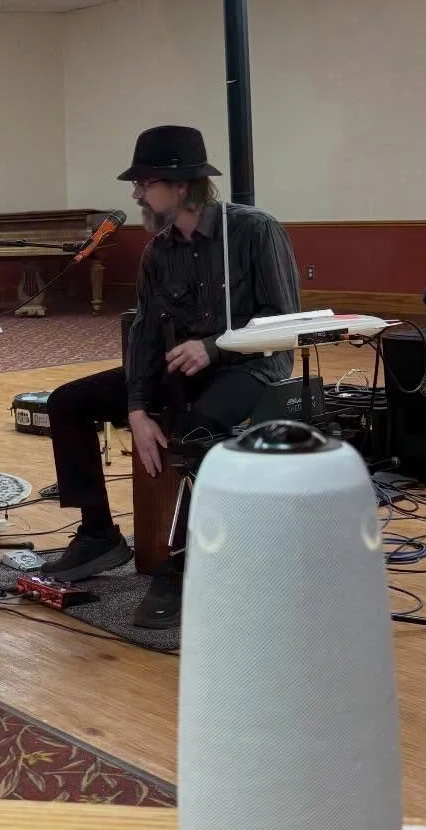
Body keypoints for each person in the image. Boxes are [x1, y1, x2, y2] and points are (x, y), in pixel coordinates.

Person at [41, 125, 301, 627]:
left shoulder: (255, 231)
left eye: (144, 182)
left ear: (182, 186)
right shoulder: (158, 251)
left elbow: (283, 323)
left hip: (252, 368)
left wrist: (213, 346)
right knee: (67, 403)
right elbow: (143, 335)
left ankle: (183, 570)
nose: (135, 193)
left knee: (196, 428)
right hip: (180, 369)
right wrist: (136, 409)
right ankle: (98, 535)